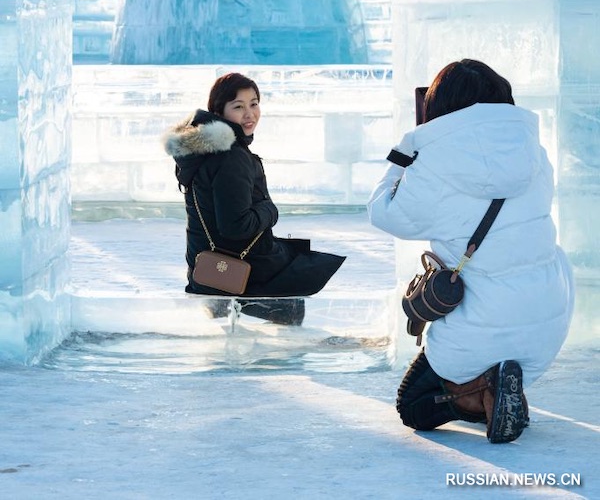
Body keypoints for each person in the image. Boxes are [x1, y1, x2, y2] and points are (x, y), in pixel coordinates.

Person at [368, 59, 574, 443]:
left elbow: (385, 214)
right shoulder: (534, 153)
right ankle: (493, 388)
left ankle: (482, 391)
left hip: (479, 329)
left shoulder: (434, 163)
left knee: (411, 405)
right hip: (547, 319)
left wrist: (405, 153)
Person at [161, 72, 345, 325]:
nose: (250, 114)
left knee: (297, 261)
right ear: (220, 111)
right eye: (238, 106)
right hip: (238, 268)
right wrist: (270, 210)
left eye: (254, 103)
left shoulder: (201, 152)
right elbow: (236, 226)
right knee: (305, 276)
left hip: (204, 265)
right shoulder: (231, 157)